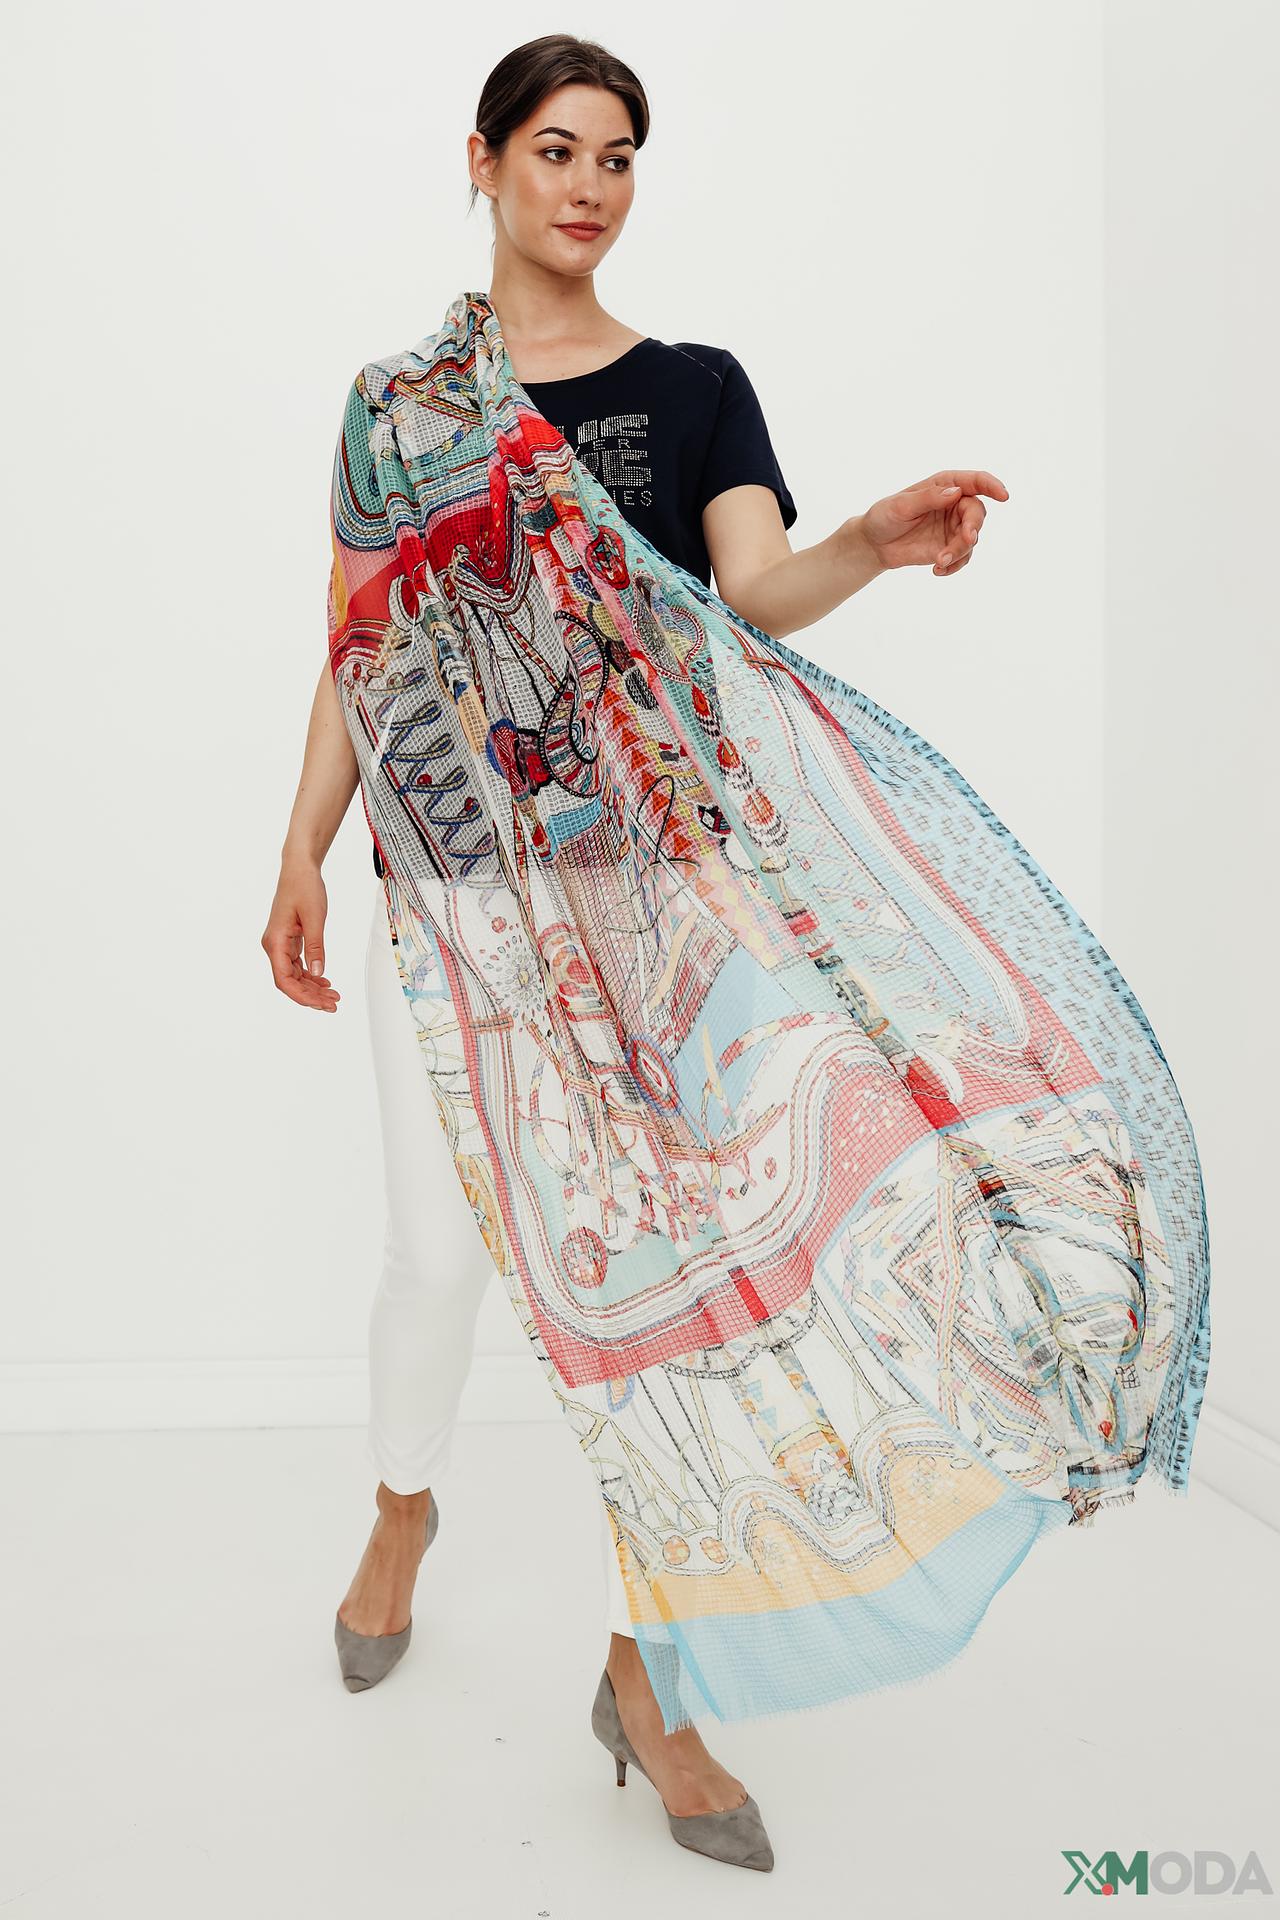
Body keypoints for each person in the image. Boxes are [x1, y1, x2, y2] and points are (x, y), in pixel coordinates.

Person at [264, 32, 1201, 1874]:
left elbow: (751, 593)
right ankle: (403, 1507)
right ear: (483, 160)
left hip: (660, 906)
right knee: (438, 1257)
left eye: (619, 155)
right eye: (556, 149)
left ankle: (655, 1679)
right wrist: (296, 845)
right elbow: (364, 644)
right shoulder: (402, 407)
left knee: (682, 1308)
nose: (589, 186)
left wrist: (868, 539)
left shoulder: (695, 387)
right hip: (458, 895)